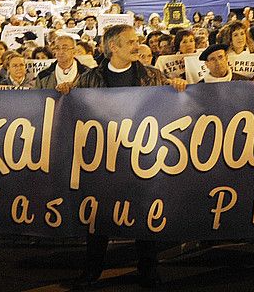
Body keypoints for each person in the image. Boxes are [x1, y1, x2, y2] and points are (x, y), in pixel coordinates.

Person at [72, 24, 184, 288]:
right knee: (98, 216)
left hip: (142, 156)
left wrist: (177, 87)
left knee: (144, 214)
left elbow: (170, 107)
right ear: (114, 47)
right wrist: (66, 92)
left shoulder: (153, 76)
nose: (137, 46)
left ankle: (148, 268)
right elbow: (74, 109)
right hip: (103, 158)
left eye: (137, 41)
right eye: (131, 42)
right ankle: (92, 269)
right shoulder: (89, 78)